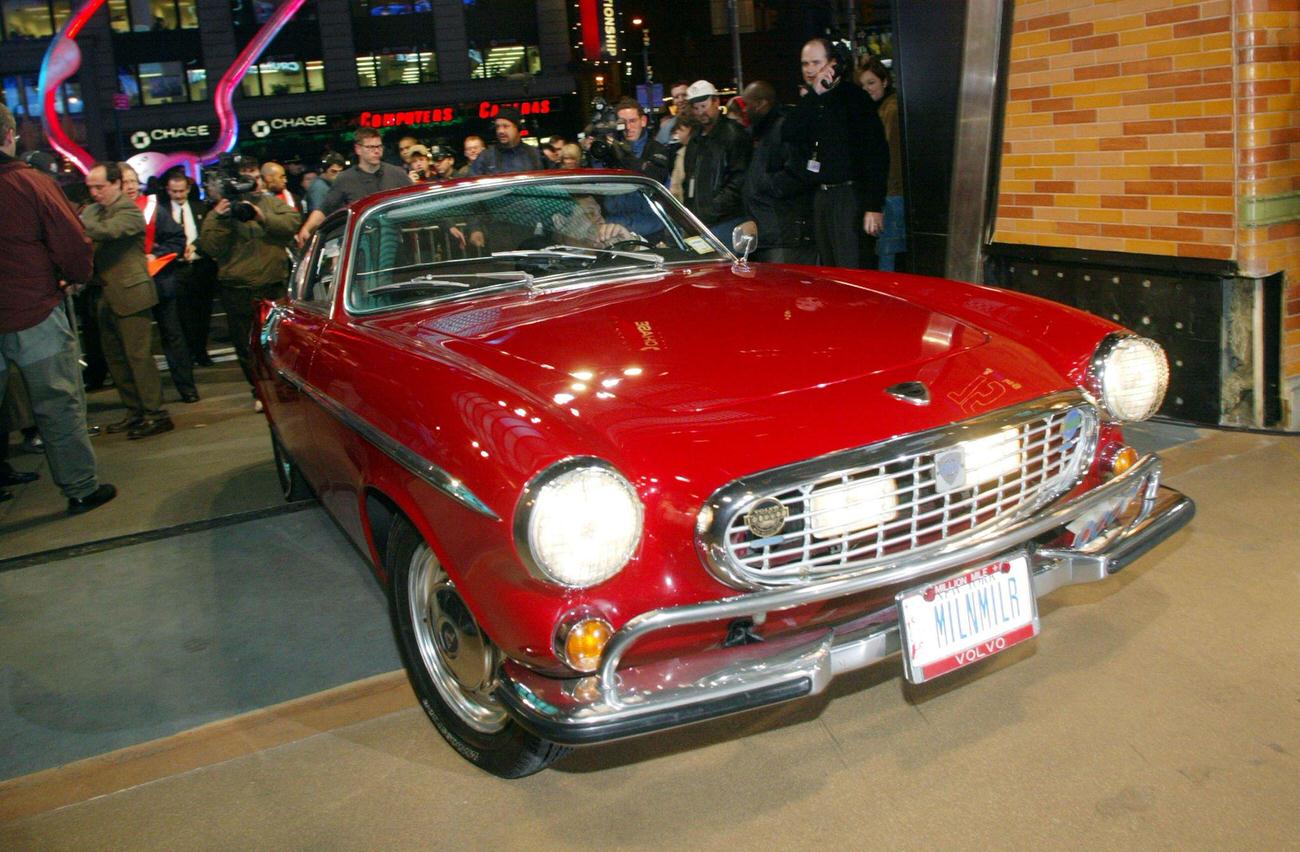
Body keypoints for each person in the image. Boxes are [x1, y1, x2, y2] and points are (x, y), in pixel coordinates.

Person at [0, 104, 115, 512]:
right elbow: (72, 240)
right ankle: (80, 488)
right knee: (58, 403)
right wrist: (75, 275)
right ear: (10, 135)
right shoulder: (29, 183)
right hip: (34, 310)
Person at [82, 162, 174, 439]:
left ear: (116, 184)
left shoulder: (129, 210)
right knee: (116, 359)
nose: (95, 192)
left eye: (100, 187)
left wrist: (79, 222)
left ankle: (155, 413)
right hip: (105, 294)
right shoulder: (94, 212)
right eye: (90, 188)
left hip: (131, 293)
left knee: (138, 357)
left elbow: (109, 232)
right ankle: (135, 411)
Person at [783, 37, 889, 269]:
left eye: (816, 62)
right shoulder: (811, 100)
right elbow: (789, 133)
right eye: (804, 64)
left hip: (850, 195)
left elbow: (876, 154)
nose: (809, 69)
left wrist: (873, 205)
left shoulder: (855, 98)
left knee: (851, 267)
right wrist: (814, 95)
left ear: (832, 64)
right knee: (829, 269)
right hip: (820, 195)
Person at [199, 172, 300, 410]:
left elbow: (291, 224)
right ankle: (260, 391)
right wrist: (220, 218)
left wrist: (262, 216)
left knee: (281, 341)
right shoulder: (219, 213)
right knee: (246, 346)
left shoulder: (269, 203)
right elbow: (210, 246)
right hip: (238, 288)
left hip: (272, 283)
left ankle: (284, 386)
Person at [740, 80, 815, 263]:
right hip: (767, 233)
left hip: (783, 235)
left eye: (747, 104)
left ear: (761, 104)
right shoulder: (760, 133)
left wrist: (764, 184)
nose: (744, 110)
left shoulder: (783, 129)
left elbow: (797, 173)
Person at [297, 127, 409, 246]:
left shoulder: (397, 173)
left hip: (395, 240)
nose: (377, 151)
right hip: (362, 244)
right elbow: (325, 208)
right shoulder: (345, 178)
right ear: (358, 149)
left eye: (379, 146)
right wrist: (306, 228)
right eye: (371, 147)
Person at [681, 79, 752, 242]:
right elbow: (689, 179)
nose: (700, 112)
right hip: (700, 220)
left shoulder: (733, 135)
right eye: (696, 108)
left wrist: (712, 209)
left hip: (727, 220)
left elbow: (740, 180)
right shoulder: (696, 138)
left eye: (703, 106)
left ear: (716, 102)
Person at [165, 172, 218, 368]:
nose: (178, 196)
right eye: (174, 191)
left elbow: (209, 234)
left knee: (203, 312)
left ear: (188, 189)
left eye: (181, 191)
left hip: (200, 267)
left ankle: (201, 351)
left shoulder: (200, 208)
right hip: (176, 270)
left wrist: (195, 246)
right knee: (181, 315)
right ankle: (187, 353)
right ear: (168, 191)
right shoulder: (162, 211)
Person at [859, 56, 905, 271]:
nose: (867, 89)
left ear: (884, 81)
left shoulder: (889, 110)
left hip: (890, 194)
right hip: (888, 193)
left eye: (871, 83)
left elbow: (889, 158)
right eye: (863, 84)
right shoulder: (882, 109)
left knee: (887, 257)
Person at [469, 107, 543, 175]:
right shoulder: (486, 157)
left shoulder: (534, 154)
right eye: (498, 127)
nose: (500, 131)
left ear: (517, 128)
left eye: (506, 126)